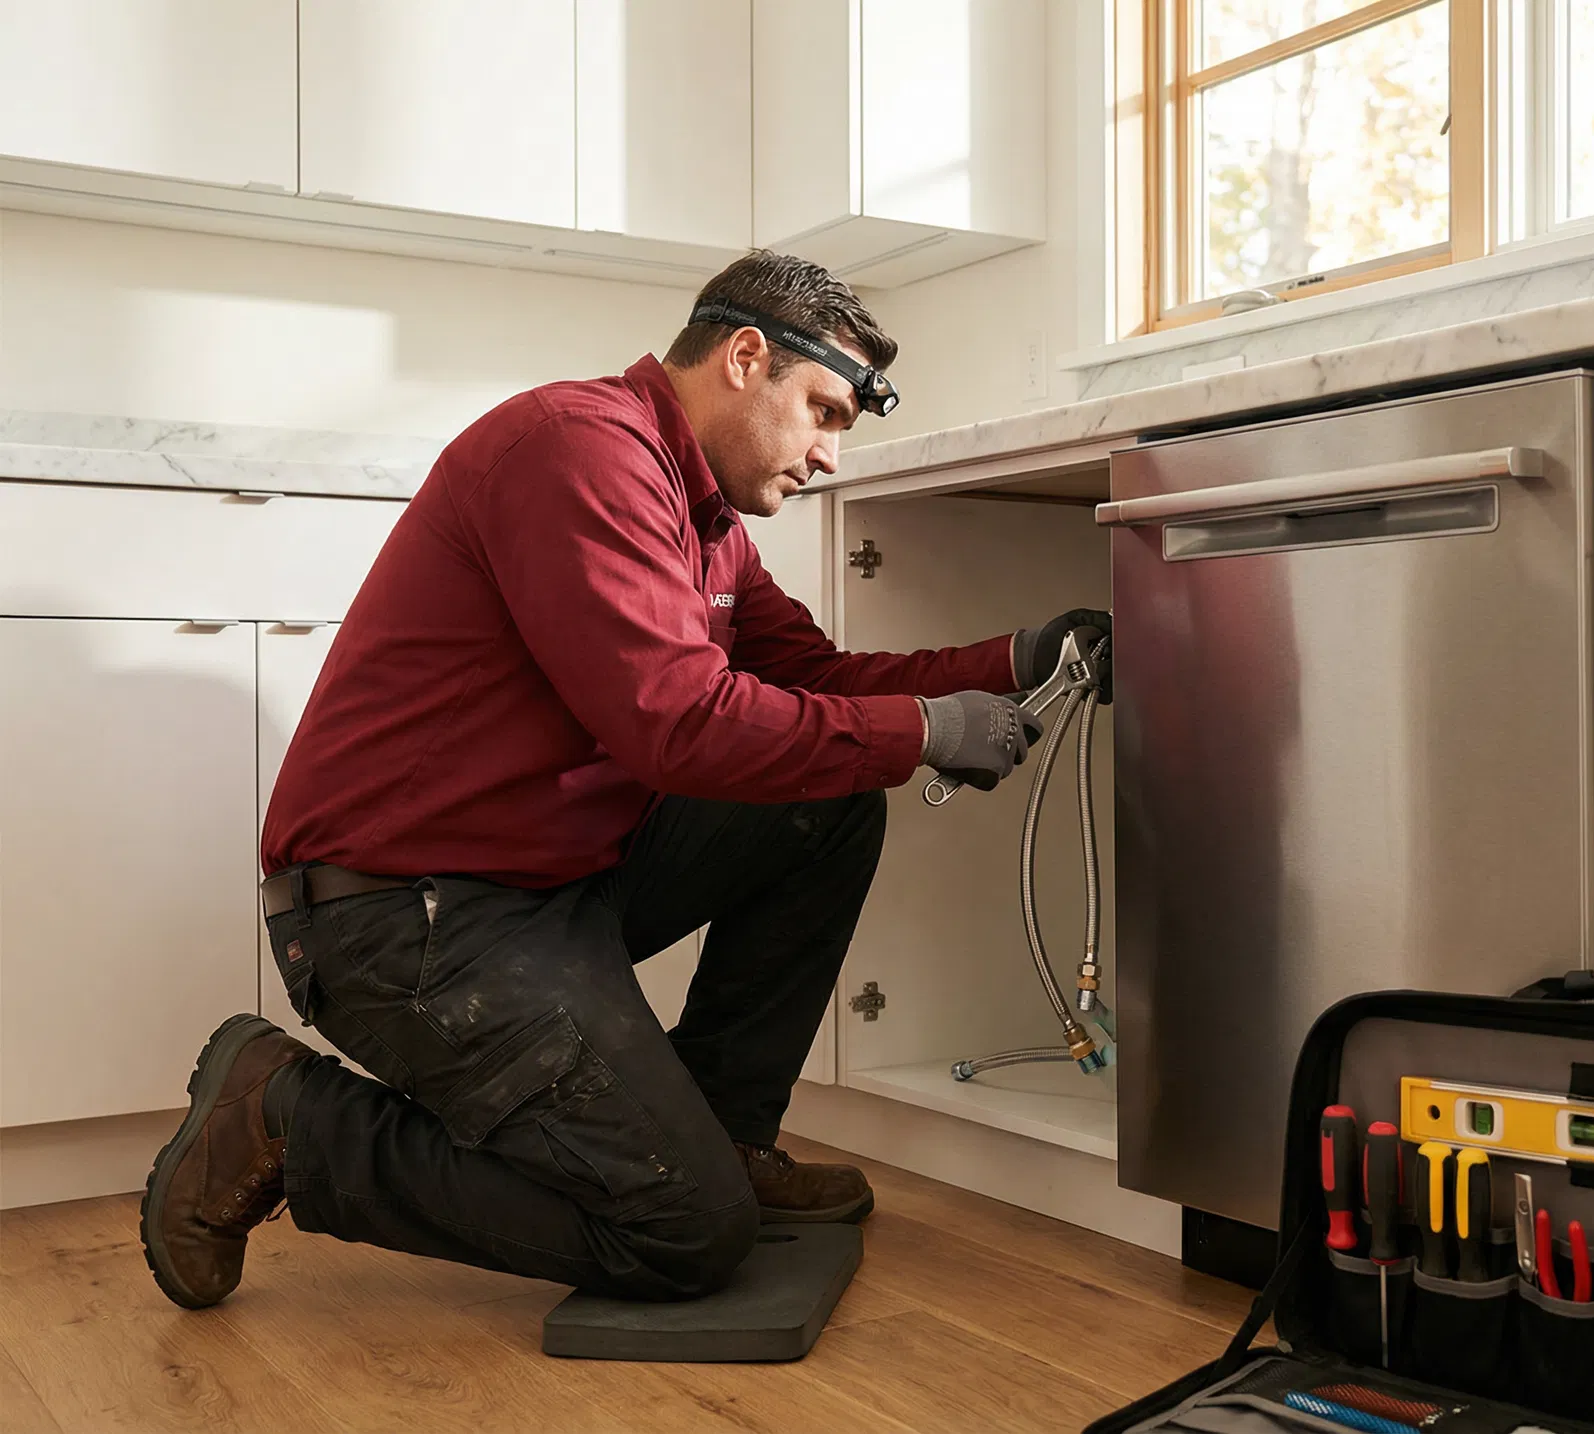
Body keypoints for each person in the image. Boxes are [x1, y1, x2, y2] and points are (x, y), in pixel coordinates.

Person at [138, 250, 1112, 1310]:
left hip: (545, 889)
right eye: (824, 413)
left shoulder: (703, 520)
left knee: (823, 799)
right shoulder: (579, 451)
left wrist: (1018, 660)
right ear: (747, 357)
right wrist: (925, 730)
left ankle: (718, 1138)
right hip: (404, 920)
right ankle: (284, 1115)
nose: (830, 455)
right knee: (682, 1234)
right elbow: (679, 725)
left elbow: (821, 683)